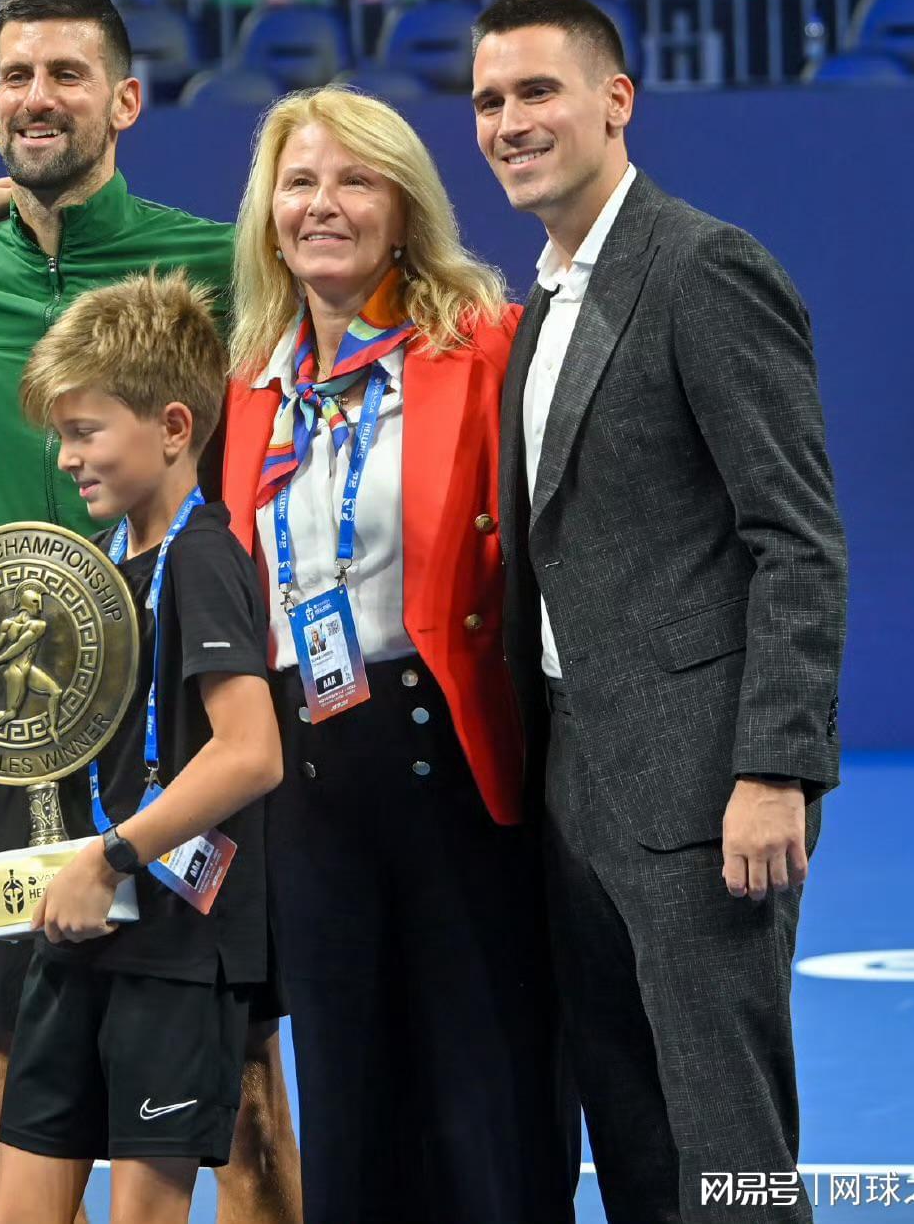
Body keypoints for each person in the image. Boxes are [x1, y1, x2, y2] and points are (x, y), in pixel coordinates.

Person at [0, 0, 301, 1224]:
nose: (38, 97)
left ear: (124, 100)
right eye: (16, 76)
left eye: (67, 74)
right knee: (14, 1073)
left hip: (179, 718)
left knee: (234, 1093)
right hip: (18, 719)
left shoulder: (212, 262)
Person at [470, 0, 847, 1224]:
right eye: (487, 100)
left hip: (701, 788)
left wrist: (772, 767)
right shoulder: (538, 304)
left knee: (728, 1153)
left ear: (614, 100)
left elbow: (795, 539)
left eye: (537, 90)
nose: (509, 121)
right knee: (631, 1139)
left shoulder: (702, 267)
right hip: (570, 783)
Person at [214, 85, 578, 1224]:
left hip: (454, 766)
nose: (322, 204)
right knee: (350, 1108)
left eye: (354, 180)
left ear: (405, 207)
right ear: (268, 213)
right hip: (307, 786)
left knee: (490, 1110)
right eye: (299, 182)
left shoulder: (484, 344)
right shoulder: (252, 381)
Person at [0, 269, 283, 1224]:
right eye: (62, 434)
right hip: (81, 932)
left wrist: (112, 856)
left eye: (86, 431)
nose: (67, 456)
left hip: (172, 952)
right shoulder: (109, 565)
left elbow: (252, 751)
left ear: (173, 427)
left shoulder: (203, 559)